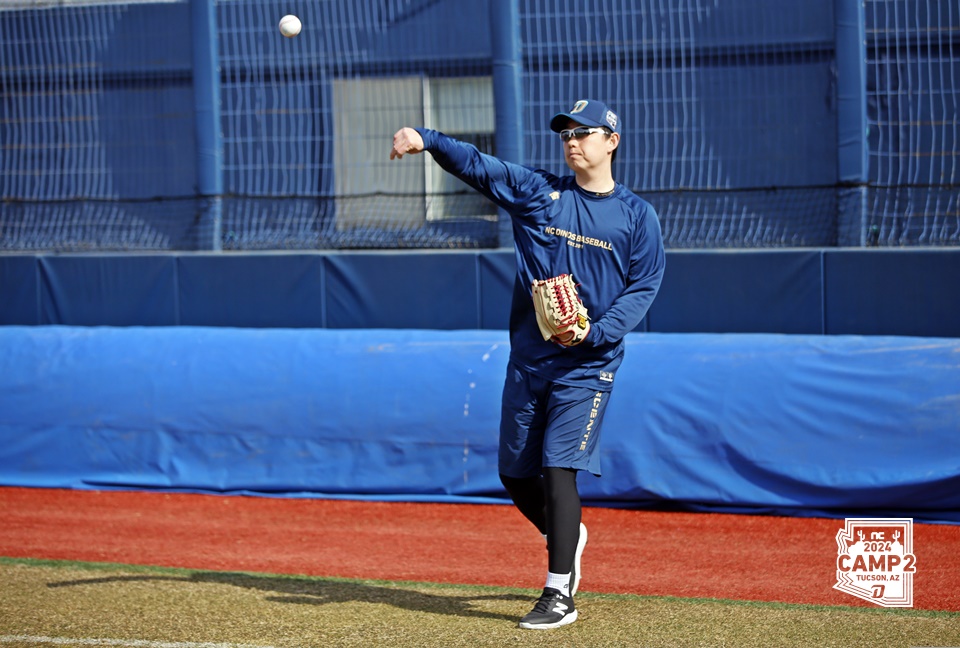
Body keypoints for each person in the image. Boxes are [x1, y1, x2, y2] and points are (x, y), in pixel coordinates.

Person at [389, 99, 665, 629]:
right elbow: (478, 165)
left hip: (589, 365)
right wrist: (427, 138)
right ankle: (568, 533)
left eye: (585, 132)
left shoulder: (637, 215)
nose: (572, 140)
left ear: (612, 141)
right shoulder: (542, 194)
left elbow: (644, 285)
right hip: (529, 361)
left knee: (559, 468)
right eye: (566, 133)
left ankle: (558, 593)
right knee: (515, 474)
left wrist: (596, 332)